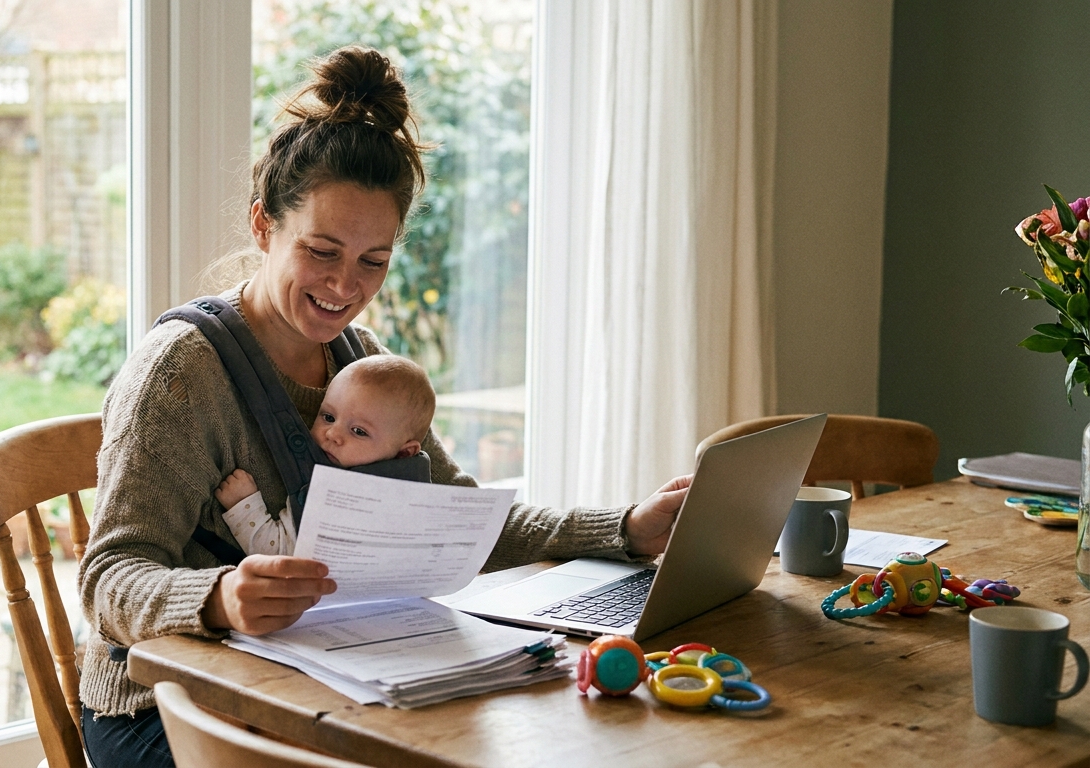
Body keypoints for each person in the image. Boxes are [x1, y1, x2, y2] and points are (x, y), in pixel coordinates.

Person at [77, 45, 693, 768]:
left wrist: (622, 527)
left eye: (373, 260)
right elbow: (109, 578)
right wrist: (218, 597)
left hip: (317, 677)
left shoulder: (357, 359)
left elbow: (460, 515)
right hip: (166, 707)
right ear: (262, 227)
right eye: (323, 251)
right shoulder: (181, 374)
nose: (344, 285)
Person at [214, 354, 437, 557]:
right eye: (328, 417)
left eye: (358, 431)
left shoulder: (332, 493)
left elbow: (280, 555)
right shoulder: (421, 496)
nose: (332, 434)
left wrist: (244, 506)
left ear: (404, 453)